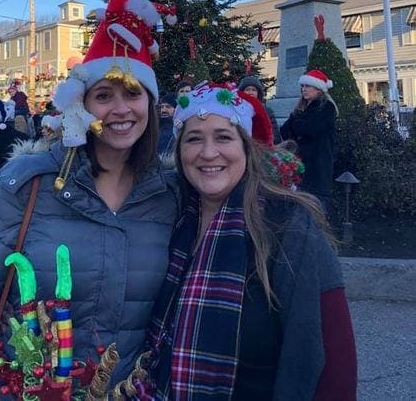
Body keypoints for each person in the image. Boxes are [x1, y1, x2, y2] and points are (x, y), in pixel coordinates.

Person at [0, 0, 179, 399]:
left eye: (133, 94)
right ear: (79, 106)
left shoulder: (170, 194)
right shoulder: (26, 187)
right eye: (103, 95)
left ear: (150, 103)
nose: (120, 109)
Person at [147, 82, 356, 400]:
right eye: (193, 139)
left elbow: (333, 364)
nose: (208, 152)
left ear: (246, 147)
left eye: (223, 137)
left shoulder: (289, 225)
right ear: (178, 152)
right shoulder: (170, 219)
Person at [280, 69, 338, 213]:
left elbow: (307, 129)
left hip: (318, 164)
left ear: (318, 89)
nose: (304, 89)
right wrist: (296, 121)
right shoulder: (301, 109)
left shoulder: (326, 107)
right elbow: (285, 131)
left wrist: (296, 122)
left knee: (315, 208)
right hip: (300, 164)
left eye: (308, 86)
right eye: (303, 86)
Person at [238, 74, 282, 144]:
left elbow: (275, 135)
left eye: (254, 90)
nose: (250, 93)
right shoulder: (236, 109)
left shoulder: (267, 111)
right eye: (247, 89)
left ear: (258, 93)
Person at [158, 92, 176, 168]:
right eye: (162, 107)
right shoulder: (155, 128)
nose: (164, 110)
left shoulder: (180, 130)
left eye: (168, 107)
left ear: (176, 109)